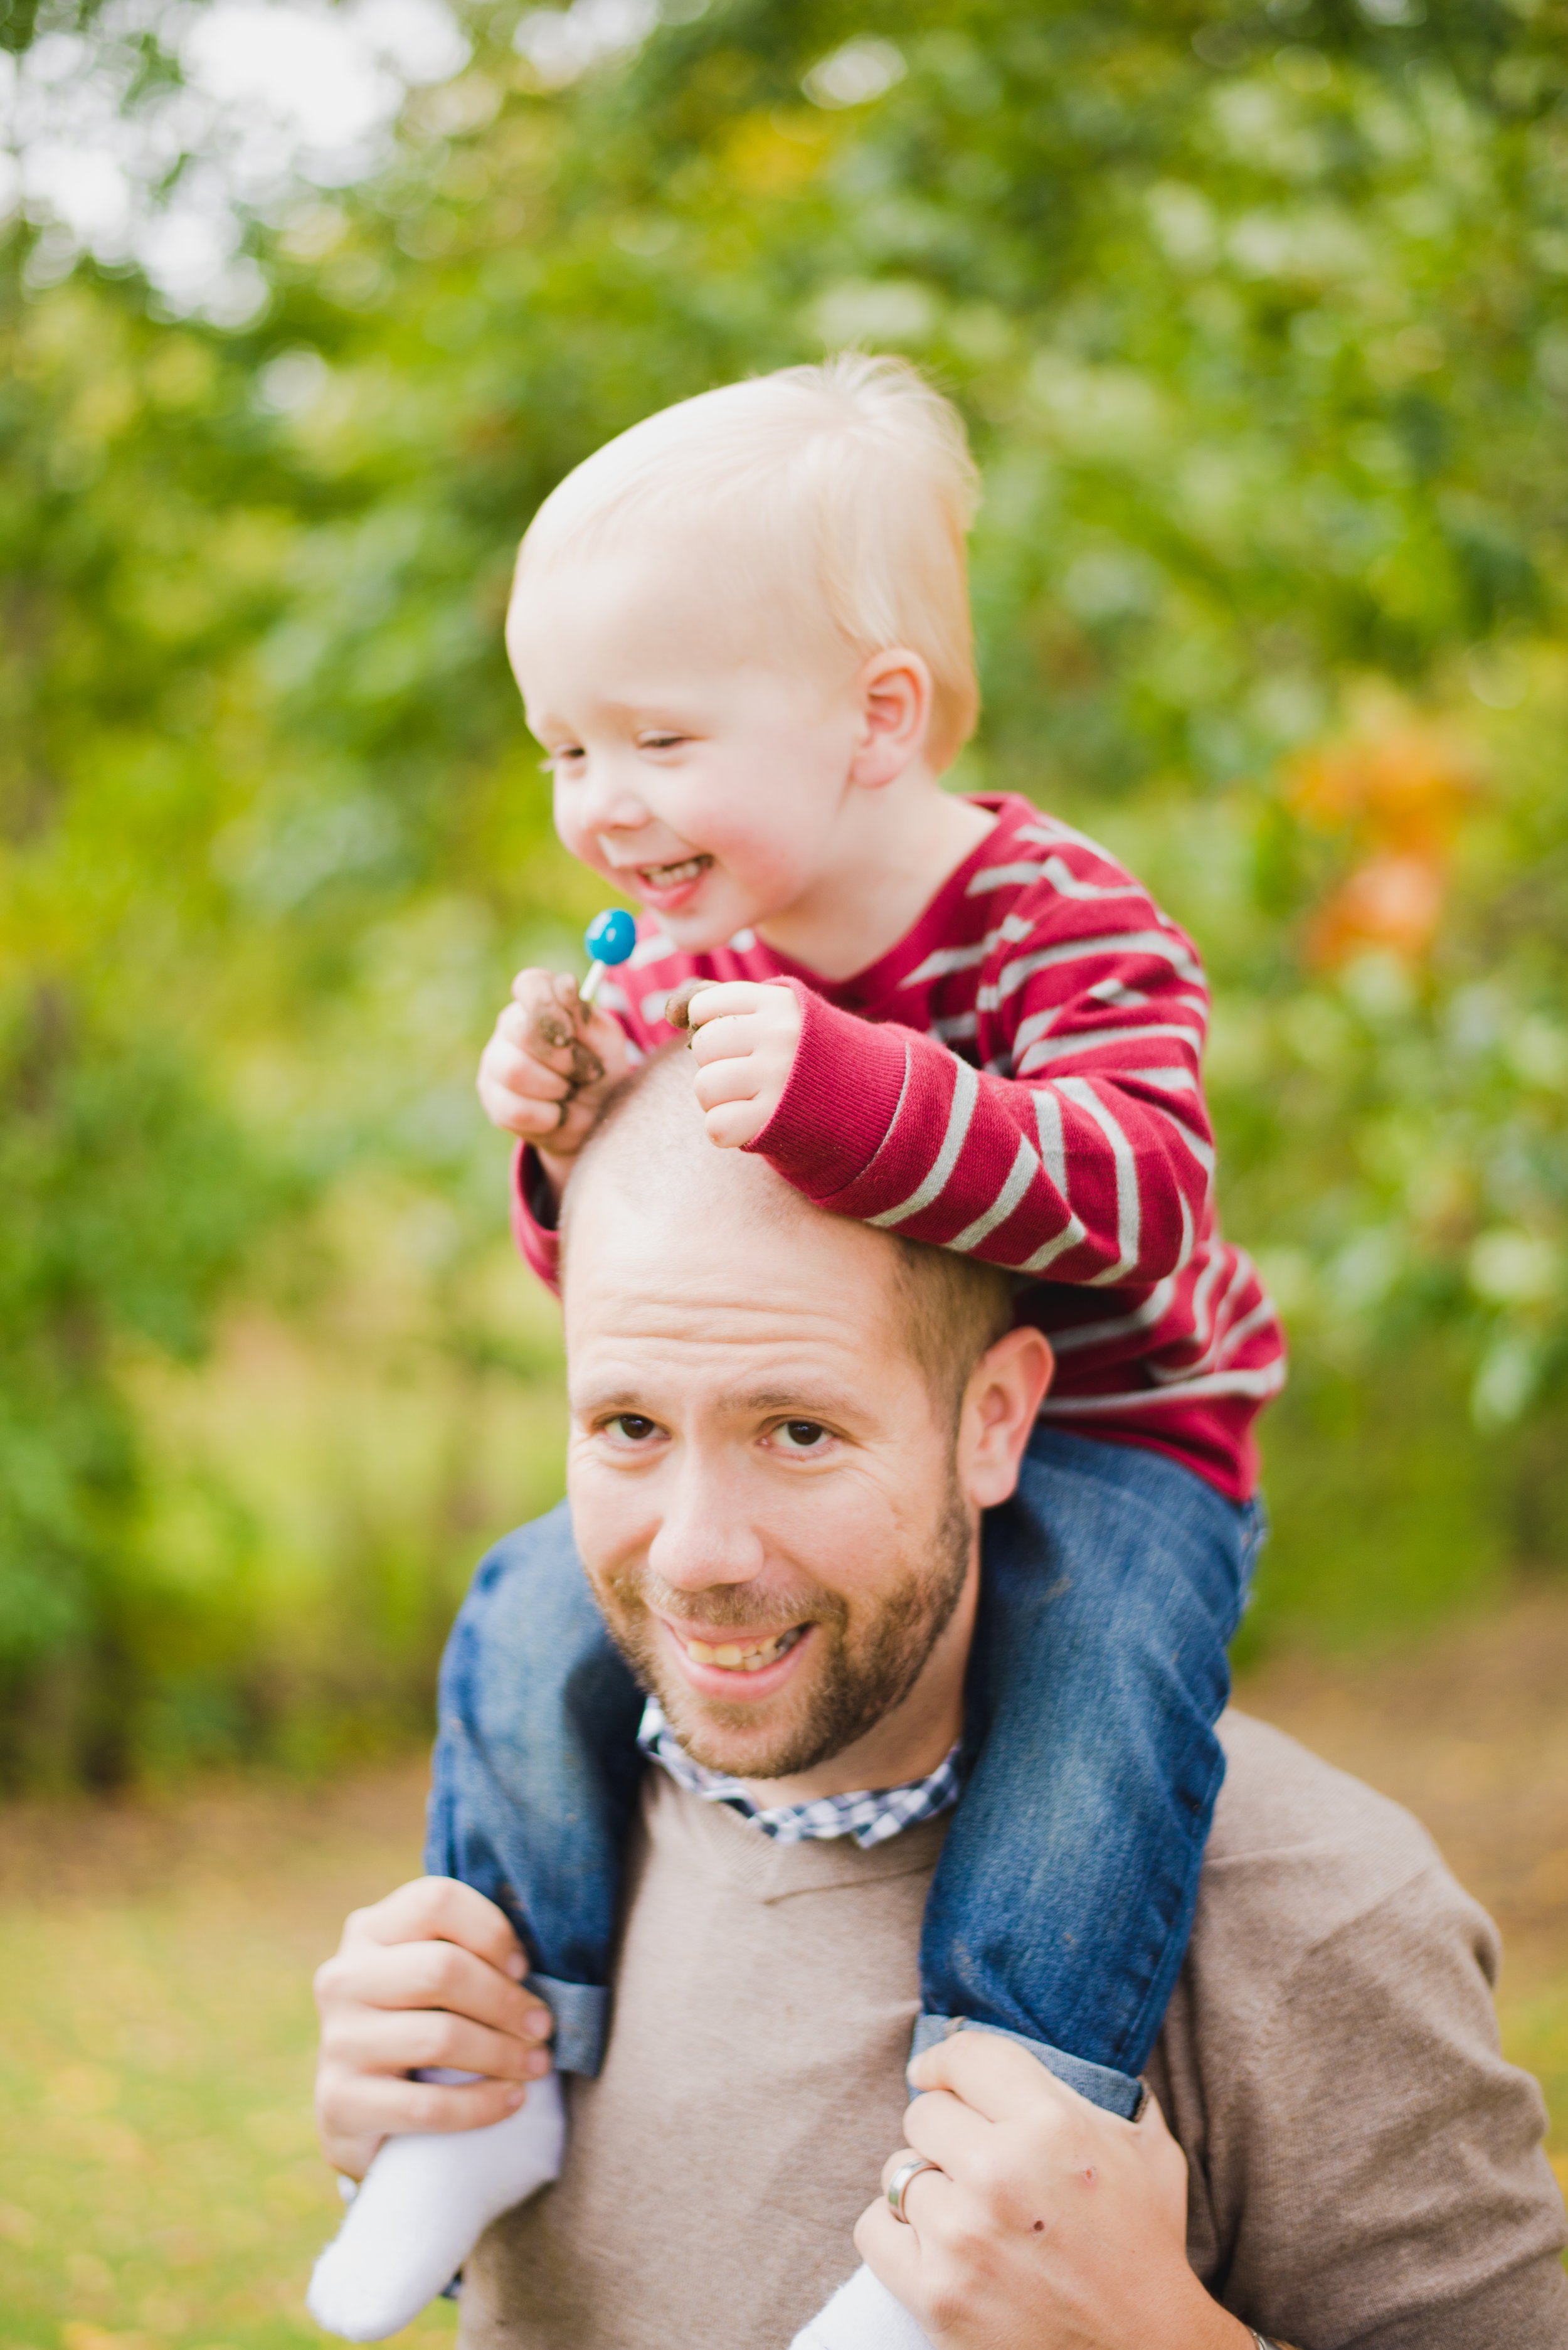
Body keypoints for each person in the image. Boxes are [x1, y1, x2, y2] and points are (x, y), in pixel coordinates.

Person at [310, 353, 1286, 2334]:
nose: (600, 808)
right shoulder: (688, 967)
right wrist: (563, 1140)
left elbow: (1143, 1194)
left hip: (1122, 1428)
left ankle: (981, 2185)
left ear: (877, 718)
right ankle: (497, 2074)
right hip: (834, 1439)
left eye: (654, 738)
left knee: (1090, 1720)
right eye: (561, 753)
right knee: (522, 1608)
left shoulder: (1050, 916)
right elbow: (655, 1291)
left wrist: (855, 1092)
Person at [312, 1049, 1568, 2349]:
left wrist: (1156, 2337)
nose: (693, 1554)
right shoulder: (542, 1826)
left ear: (993, 1419)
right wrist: (398, 2130)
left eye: (797, 1431)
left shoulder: (1317, 1909)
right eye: (628, 1425)